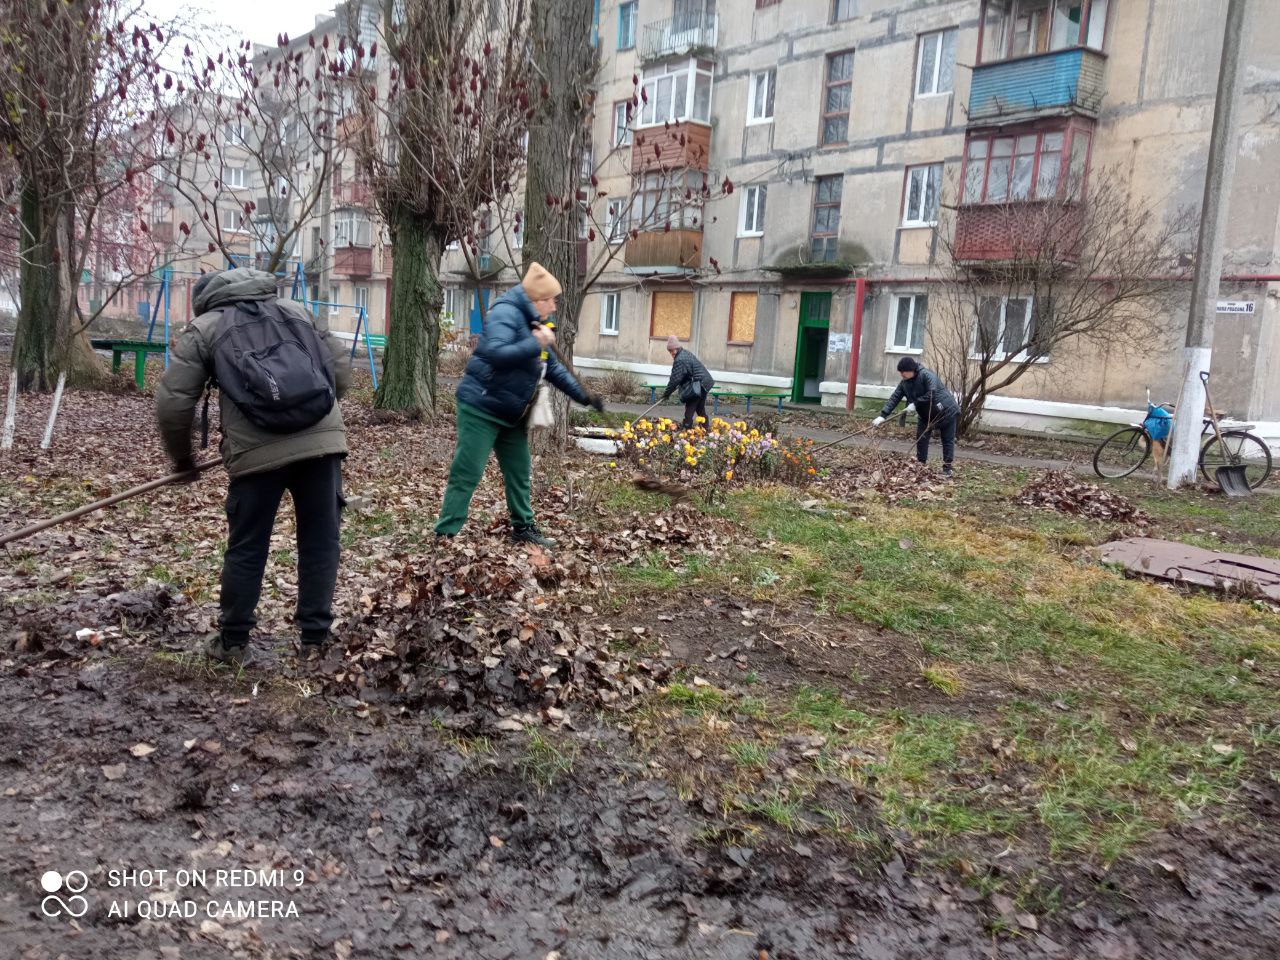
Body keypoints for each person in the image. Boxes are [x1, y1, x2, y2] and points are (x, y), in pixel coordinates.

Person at [155, 268, 352, 666]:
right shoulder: (297, 311)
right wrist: (310, 414)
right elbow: (342, 374)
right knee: (320, 539)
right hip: (322, 444)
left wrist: (183, 459)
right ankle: (315, 639)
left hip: (256, 455)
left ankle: (232, 643)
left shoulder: (204, 328)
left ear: (207, 298)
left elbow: (174, 404)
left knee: (248, 544)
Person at [435, 263, 603, 547]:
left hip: (511, 413)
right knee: (468, 471)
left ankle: (523, 528)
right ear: (536, 299)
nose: (554, 307)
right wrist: (535, 342)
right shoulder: (506, 313)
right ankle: (445, 534)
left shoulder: (536, 323)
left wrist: (583, 396)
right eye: (551, 301)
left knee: (519, 470)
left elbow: (552, 368)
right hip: (482, 407)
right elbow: (495, 352)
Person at [872, 357, 959, 477]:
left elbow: (932, 393)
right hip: (925, 415)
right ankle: (920, 466)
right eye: (900, 372)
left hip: (946, 411)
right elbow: (895, 397)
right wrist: (883, 415)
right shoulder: (904, 383)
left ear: (911, 370)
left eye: (903, 371)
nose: (901, 374)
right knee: (921, 439)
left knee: (947, 440)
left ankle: (947, 469)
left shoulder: (926, 375)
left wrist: (915, 403)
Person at [661, 335, 715, 430]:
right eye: (669, 351)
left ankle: (687, 429)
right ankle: (706, 428)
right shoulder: (685, 353)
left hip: (699, 384)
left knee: (690, 407)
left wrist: (666, 394)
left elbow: (675, 379)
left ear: (677, 348)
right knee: (700, 408)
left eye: (673, 350)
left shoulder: (680, 359)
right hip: (705, 382)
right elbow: (685, 372)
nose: (671, 353)